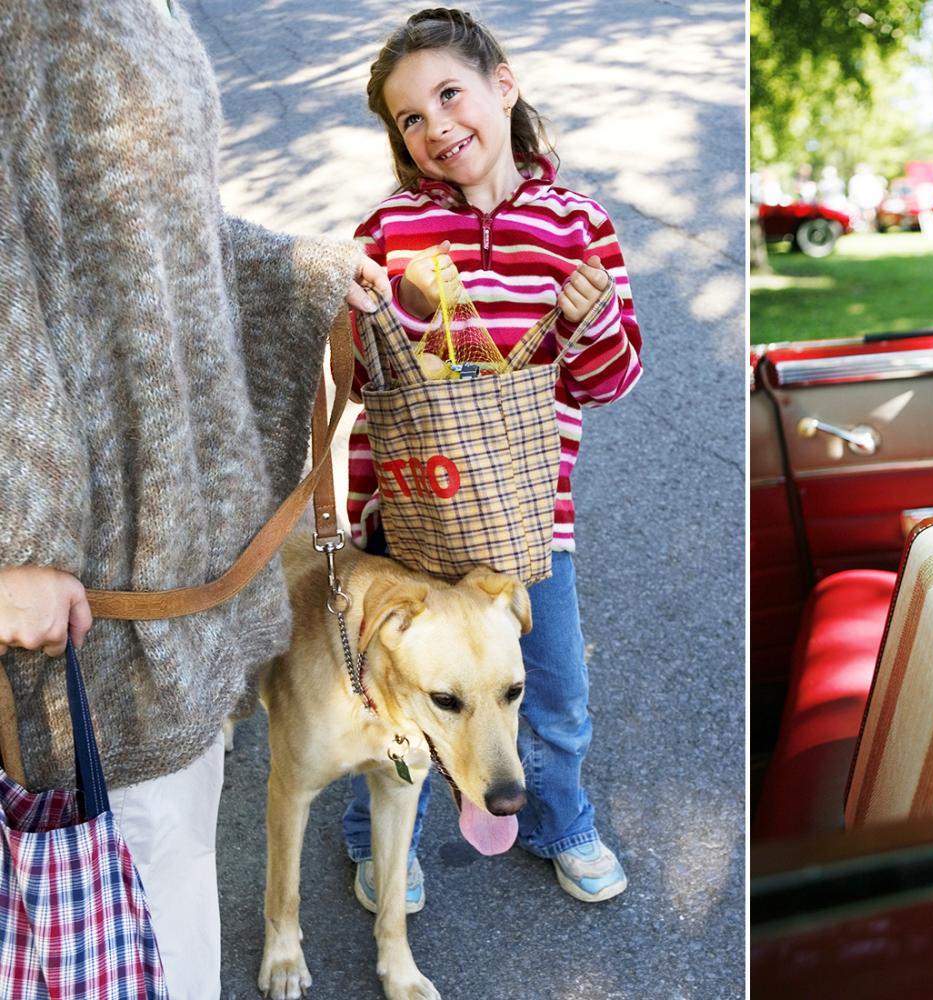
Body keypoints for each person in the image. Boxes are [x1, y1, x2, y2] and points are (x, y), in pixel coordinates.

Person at [0, 2, 386, 996]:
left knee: (162, 872)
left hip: (167, 552)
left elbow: (153, 222)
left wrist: (296, 272)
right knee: (113, 881)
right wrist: (15, 536)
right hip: (78, 578)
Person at [342, 7, 643, 911]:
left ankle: (558, 817)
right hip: (407, 520)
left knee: (550, 693)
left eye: (448, 94)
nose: (436, 127)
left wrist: (588, 323)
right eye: (410, 118)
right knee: (390, 699)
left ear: (501, 84)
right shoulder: (391, 230)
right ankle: (376, 837)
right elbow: (367, 385)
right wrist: (351, 305)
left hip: (526, 523)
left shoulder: (578, 226)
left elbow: (610, 380)